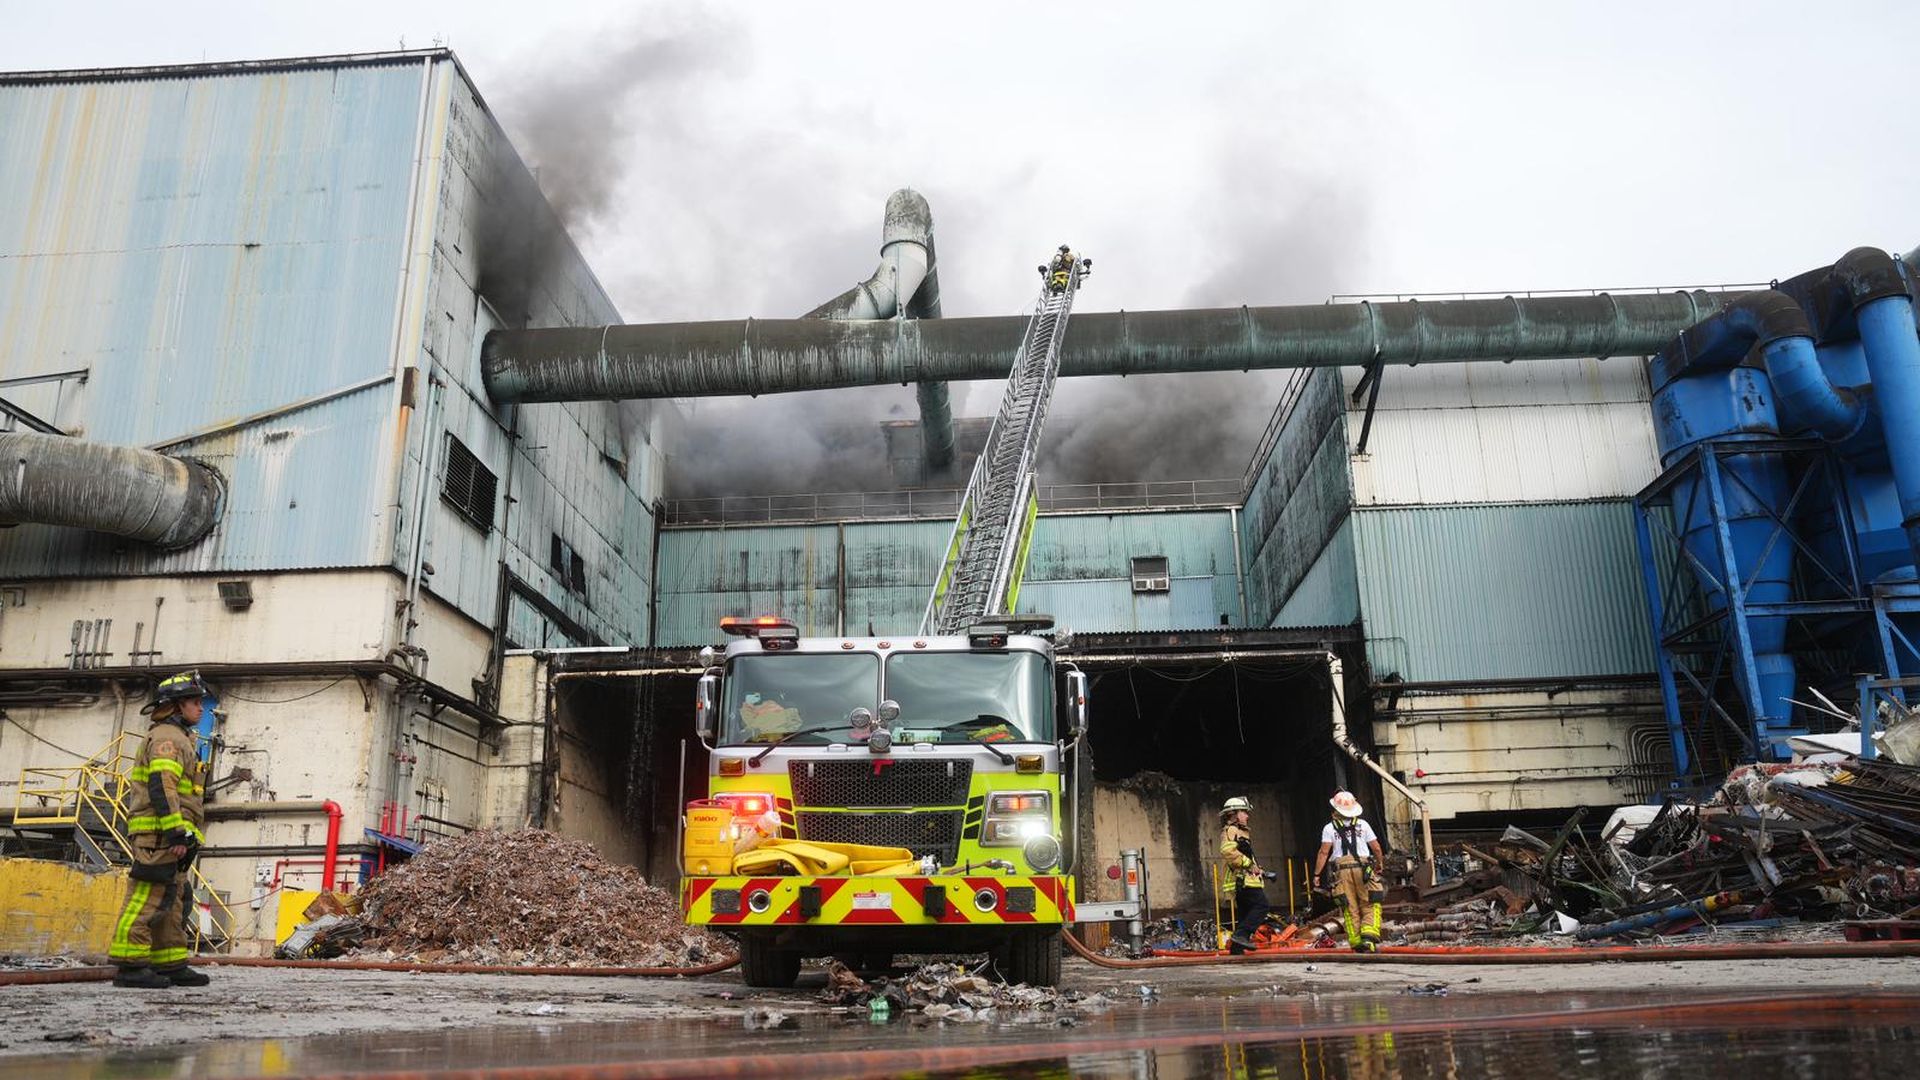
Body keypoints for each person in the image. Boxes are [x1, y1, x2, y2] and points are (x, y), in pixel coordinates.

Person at [110, 670, 211, 988]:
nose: (201, 709)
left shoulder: (182, 738)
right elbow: (162, 787)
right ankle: (130, 965)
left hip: (171, 834)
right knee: (146, 897)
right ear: (177, 705)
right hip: (158, 834)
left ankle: (169, 963)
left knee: (173, 899)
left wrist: (186, 834)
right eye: (196, 702)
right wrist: (174, 833)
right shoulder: (167, 738)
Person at [1312, 790, 1386, 952]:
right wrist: (1379, 864)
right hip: (1363, 870)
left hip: (1342, 873)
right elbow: (1376, 848)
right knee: (1370, 904)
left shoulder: (1329, 828)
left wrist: (1317, 874)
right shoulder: (1363, 824)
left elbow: (1324, 852)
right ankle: (1369, 939)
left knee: (1349, 907)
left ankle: (1357, 942)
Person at [1217, 796, 1275, 953]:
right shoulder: (1232, 830)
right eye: (1244, 812)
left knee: (1245, 913)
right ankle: (1241, 935)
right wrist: (1249, 864)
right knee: (1261, 906)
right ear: (1234, 814)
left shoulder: (1241, 832)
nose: (1247, 816)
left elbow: (1244, 855)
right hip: (1242, 880)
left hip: (1245, 880)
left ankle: (1236, 949)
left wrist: (1258, 868)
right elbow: (1228, 851)